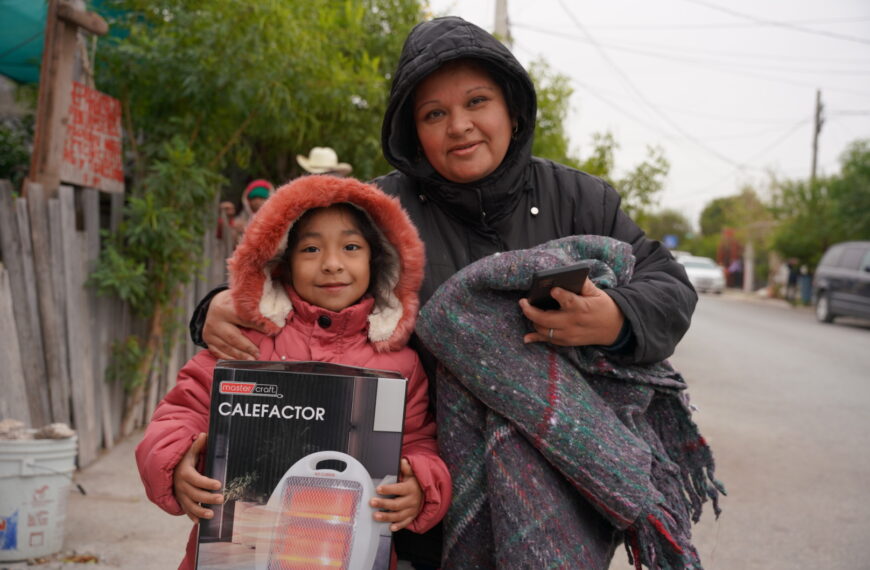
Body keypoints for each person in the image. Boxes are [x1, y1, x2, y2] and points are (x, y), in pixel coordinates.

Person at [189, 16, 702, 569]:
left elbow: (668, 285)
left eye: (477, 101)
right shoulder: (378, 211)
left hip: (558, 499)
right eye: (435, 113)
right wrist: (214, 306)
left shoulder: (581, 199)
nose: (460, 126)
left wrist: (618, 318)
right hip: (410, 501)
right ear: (413, 132)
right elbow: (302, 275)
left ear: (511, 107)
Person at [137, 175, 452, 570]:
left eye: (351, 247)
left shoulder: (400, 363)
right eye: (311, 248)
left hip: (347, 552)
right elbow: (181, 412)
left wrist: (421, 486)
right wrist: (175, 460)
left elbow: (419, 444)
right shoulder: (246, 343)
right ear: (282, 260)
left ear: (379, 259)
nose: (332, 263)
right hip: (242, 553)